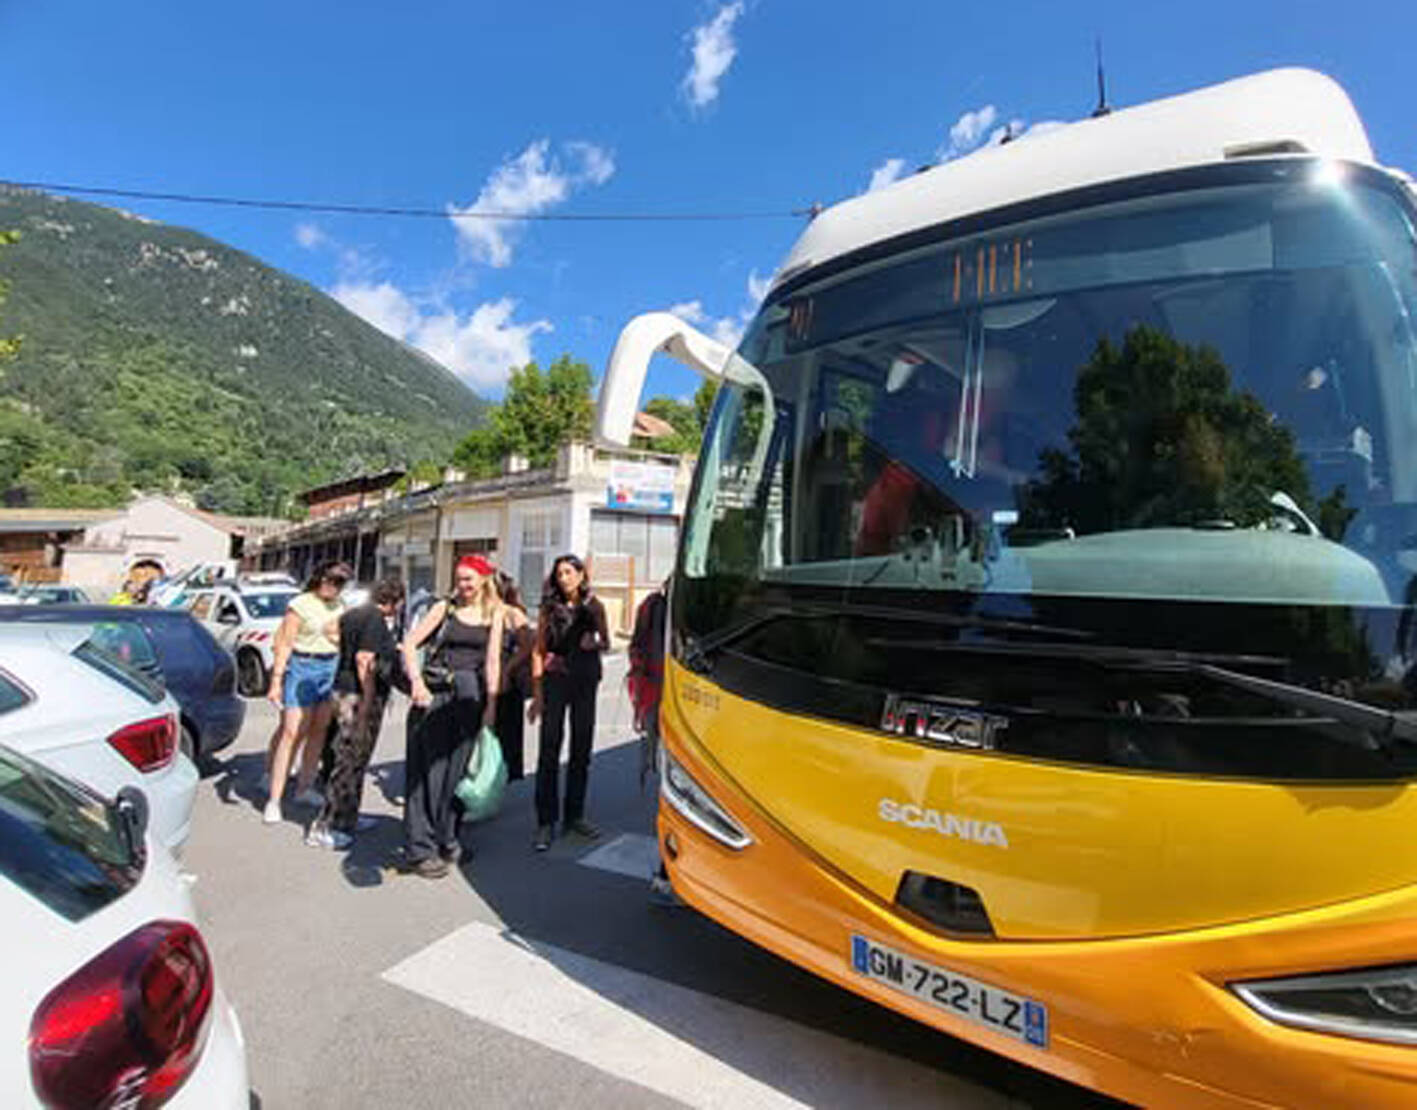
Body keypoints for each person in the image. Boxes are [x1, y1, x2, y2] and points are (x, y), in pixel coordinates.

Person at [400, 555, 504, 879]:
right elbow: (409, 644)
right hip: (434, 697)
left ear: (484, 580)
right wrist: (417, 683)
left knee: (456, 775)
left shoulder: (495, 613)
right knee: (428, 775)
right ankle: (420, 848)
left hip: (469, 700)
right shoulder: (444, 608)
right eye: (459, 579)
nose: (463, 585)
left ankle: (447, 839)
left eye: (469, 579)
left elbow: (492, 662)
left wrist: (491, 705)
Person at [305, 578, 406, 850]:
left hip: (341, 688)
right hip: (357, 697)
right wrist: (368, 701)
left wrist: (344, 649)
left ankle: (347, 816)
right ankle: (326, 825)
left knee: (350, 757)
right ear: (394, 602)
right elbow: (365, 661)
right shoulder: (373, 619)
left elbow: (329, 629)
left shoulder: (353, 614)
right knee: (350, 759)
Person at [531, 554, 609, 852]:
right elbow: (538, 650)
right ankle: (545, 822)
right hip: (556, 681)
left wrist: (597, 643)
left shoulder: (594, 606)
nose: (563, 578)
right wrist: (537, 695)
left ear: (580, 575)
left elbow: (607, 641)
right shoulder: (549, 609)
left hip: (585, 681)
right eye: (559, 573)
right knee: (549, 749)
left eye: (568, 572)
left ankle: (574, 816)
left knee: (581, 748)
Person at [264, 561, 349, 825]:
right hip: (303, 665)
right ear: (320, 578)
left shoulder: (341, 606)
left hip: (330, 666)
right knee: (292, 732)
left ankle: (304, 787)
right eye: (332, 580)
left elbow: (341, 638)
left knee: (319, 730)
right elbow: (285, 642)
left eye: (340, 583)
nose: (334, 587)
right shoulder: (300, 604)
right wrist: (277, 680)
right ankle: (274, 799)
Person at [494, 570, 533, 782]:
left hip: (507, 682)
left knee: (505, 733)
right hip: (484, 678)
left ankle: (499, 777)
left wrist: (508, 669)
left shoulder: (512, 614)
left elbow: (528, 646)